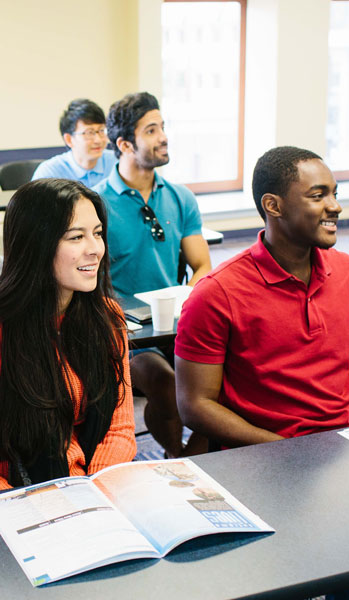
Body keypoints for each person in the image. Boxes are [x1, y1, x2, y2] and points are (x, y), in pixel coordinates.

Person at [175, 145, 349, 600]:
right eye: (318, 195)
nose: (335, 206)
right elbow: (194, 405)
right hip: (267, 462)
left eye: (335, 192)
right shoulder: (216, 295)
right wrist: (287, 451)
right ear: (273, 206)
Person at [0, 179, 136, 497]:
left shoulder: (106, 317)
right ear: (37, 245)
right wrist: (30, 504)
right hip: (11, 500)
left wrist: (93, 493)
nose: (94, 248)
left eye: (97, 233)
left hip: (91, 495)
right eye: (76, 237)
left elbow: (119, 429)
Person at [93, 91, 212, 459]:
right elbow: (85, 281)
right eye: (151, 130)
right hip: (123, 333)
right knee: (162, 379)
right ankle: (176, 455)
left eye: (162, 127)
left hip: (175, 324)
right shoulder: (95, 203)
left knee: (241, 373)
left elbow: (203, 267)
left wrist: (186, 302)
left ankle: (193, 456)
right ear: (125, 144)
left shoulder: (180, 197)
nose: (163, 136)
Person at [31, 98, 117, 187]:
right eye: (89, 133)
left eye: (101, 130)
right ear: (69, 139)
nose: (98, 140)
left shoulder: (117, 163)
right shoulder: (49, 172)